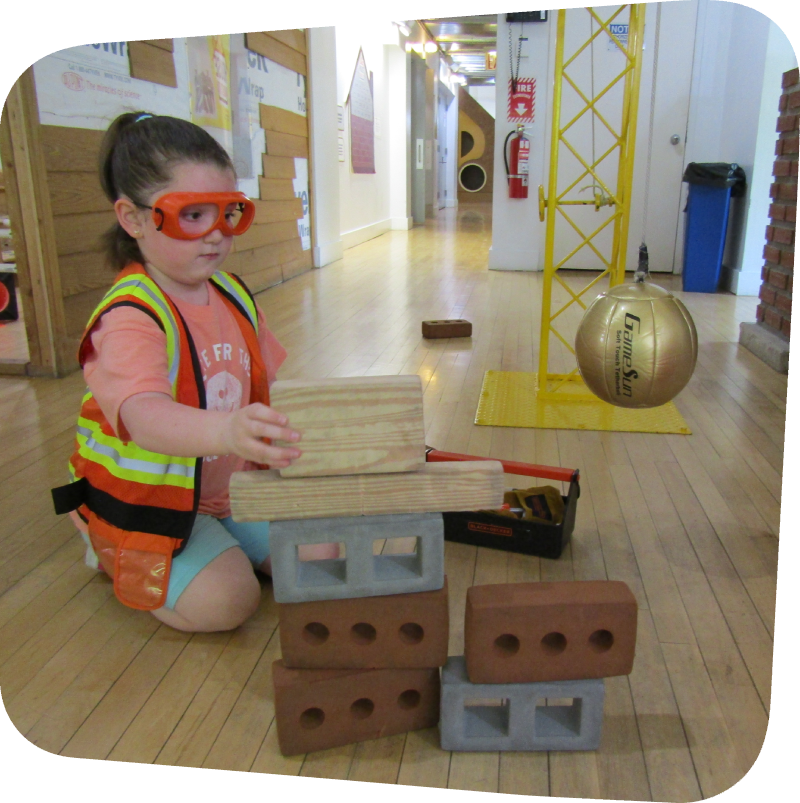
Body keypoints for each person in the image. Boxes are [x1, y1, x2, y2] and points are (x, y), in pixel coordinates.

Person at [51, 111, 336, 633]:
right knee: (227, 604)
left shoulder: (233, 294)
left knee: (324, 557)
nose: (216, 235)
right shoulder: (130, 318)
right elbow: (146, 419)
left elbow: (267, 387)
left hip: (232, 490)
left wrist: (302, 435)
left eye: (229, 214)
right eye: (193, 216)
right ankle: (107, 540)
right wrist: (228, 430)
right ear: (133, 219)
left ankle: (222, 547)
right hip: (151, 501)